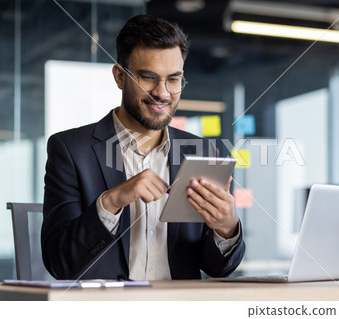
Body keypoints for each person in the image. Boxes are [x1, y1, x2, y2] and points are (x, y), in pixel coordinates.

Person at [41, 14, 245, 280]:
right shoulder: (70, 150)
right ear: (119, 77)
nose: (162, 93)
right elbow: (60, 263)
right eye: (148, 78)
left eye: (173, 80)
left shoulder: (200, 150)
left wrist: (226, 229)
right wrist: (112, 201)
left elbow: (218, 268)